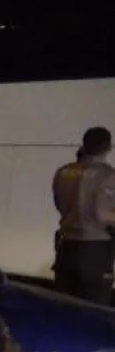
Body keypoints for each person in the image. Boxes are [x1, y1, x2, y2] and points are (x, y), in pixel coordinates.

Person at [53, 127, 115, 304]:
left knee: (63, 306)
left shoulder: (63, 172)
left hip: (66, 248)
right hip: (96, 251)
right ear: (108, 147)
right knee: (93, 313)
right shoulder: (109, 176)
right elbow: (102, 213)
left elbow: (59, 204)